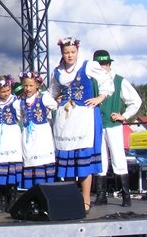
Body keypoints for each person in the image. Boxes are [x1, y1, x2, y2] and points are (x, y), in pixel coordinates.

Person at [48, 37, 114, 212]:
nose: (70, 55)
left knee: (84, 161)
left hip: (84, 116)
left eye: (73, 52)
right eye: (66, 52)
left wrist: (100, 97)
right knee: (68, 161)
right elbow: (52, 92)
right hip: (66, 119)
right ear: (62, 53)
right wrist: (54, 101)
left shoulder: (87, 66)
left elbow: (106, 80)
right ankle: (71, 199)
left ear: (77, 51)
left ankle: (85, 201)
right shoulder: (58, 71)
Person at [92, 50, 142, 207]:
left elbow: (135, 101)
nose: (103, 68)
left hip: (113, 124)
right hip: (97, 124)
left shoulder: (118, 81)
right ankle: (101, 195)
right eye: (99, 65)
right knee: (100, 158)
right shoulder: (92, 81)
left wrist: (124, 115)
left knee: (118, 157)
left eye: (104, 65)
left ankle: (126, 195)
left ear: (109, 65)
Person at [0, 75, 23, 212]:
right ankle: (2, 199)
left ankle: (12, 200)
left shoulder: (15, 101)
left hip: (10, 137)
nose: (6, 93)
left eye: (8, 90)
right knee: (0, 171)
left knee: (11, 171)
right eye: (3, 91)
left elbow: (21, 116)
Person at [17, 71, 57, 189]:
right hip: (28, 135)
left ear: (37, 85)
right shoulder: (20, 101)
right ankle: (31, 190)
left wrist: (47, 111)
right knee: (30, 157)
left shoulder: (43, 97)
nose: (28, 88)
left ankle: (45, 188)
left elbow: (55, 106)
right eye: (25, 85)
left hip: (42, 134)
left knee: (42, 158)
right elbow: (20, 116)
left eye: (31, 85)